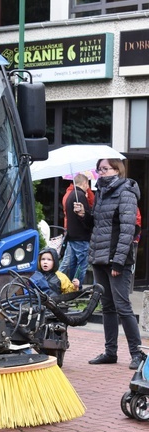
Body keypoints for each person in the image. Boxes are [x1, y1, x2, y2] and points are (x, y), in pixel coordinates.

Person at [75, 158, 145, 370]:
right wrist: (84, 215)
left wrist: (118, 262)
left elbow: (127, 230)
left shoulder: (126, 191)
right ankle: (110, 351)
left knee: (123, 306)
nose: (101, 172)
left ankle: (137, 353)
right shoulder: (101, 193)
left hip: (117, 259)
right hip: (99, 257)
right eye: (99, 169)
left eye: (105, 168)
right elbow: (96, 225)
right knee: (107, 307)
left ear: (117, 169)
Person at [58, 173, 93, 287]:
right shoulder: (80, 196)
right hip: (81, 236)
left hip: (72, 235)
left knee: (72, 264)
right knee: (81, 264)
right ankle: (78, 288)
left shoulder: (69, 195)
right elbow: (84, 217)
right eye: (87, 184)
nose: (88, 186)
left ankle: (71, 287)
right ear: (84, 183)